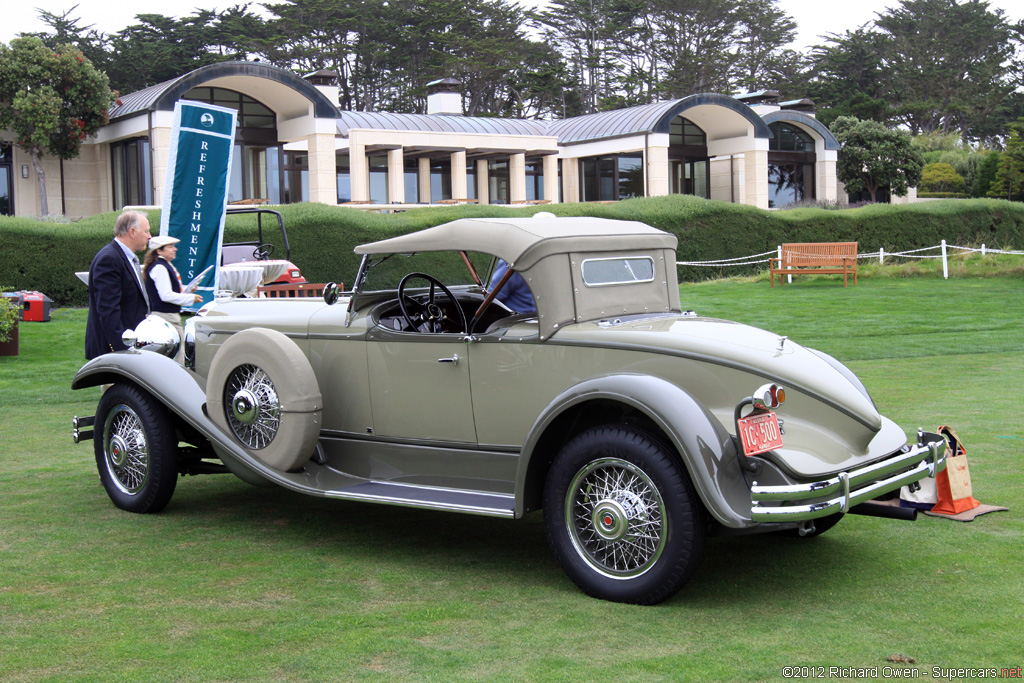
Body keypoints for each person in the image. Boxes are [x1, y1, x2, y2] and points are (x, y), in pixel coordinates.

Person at [85, 211, 152, 359]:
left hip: (130, 347)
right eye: (146, 231)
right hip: (116, 353)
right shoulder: (109, 259)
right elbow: (108, 309)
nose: (149, 236)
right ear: (132, 232)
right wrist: (122, 349)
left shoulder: (124, 257)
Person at [143, 235, 203, 358]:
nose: (175, 249)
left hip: (167, 315)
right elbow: (166, 295)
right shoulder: (160, 267)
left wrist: (187, 291)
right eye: (170, 247)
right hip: (165, 316)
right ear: (159, 250)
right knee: (178, 354)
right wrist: (190, 299)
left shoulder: (163, 265)